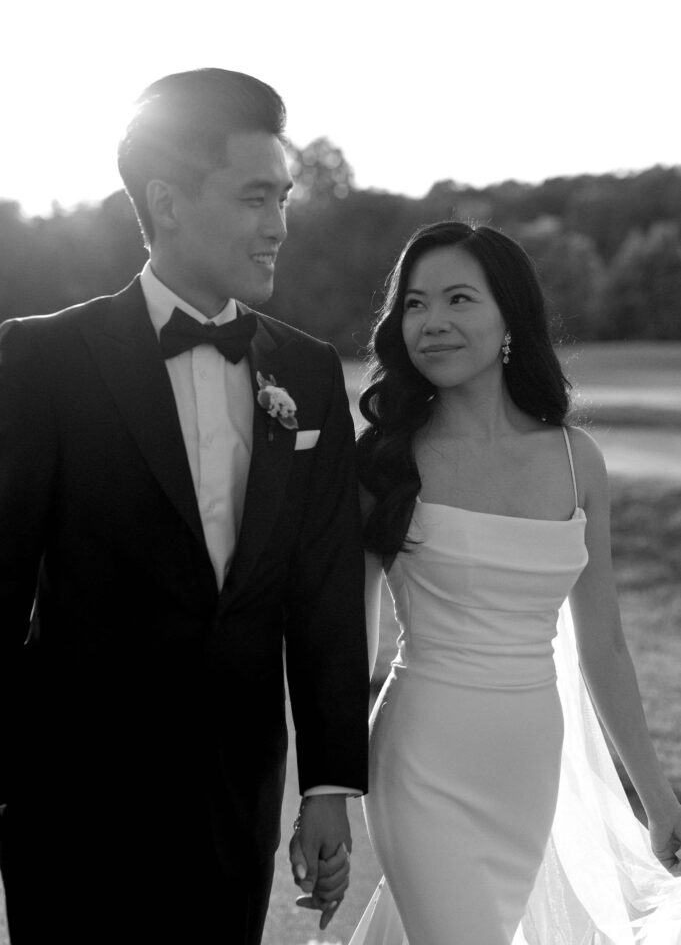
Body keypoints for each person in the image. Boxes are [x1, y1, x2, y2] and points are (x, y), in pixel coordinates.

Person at [0, 68, 369, 945]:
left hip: (233, 801)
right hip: (70, 804)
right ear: (166, 203)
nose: (278, 225)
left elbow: (321, 594)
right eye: (253, 198)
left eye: (281, 198)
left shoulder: (309, 374)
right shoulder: (41, 361)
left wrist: (327, 785)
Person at [349, 220, 681, 944]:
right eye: (413, 303)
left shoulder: (574, 460)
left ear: (508, 318)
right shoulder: (383, 460)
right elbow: (348, 637)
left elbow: (606, 647)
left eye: (458, 299)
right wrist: (325, 788)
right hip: (419, 754)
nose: (431, 322)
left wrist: (656, 801)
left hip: (528, 761)